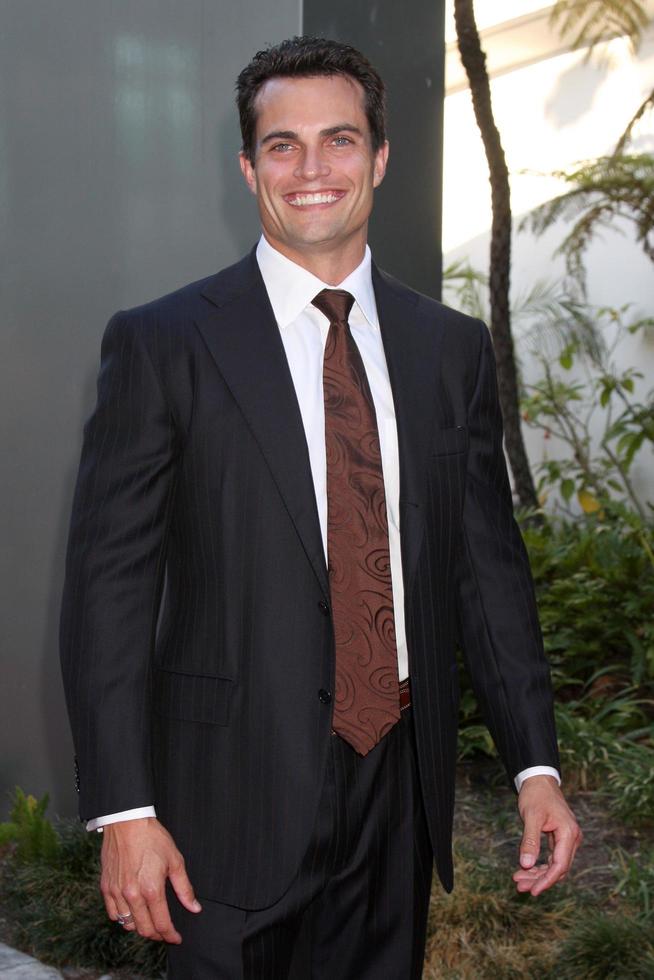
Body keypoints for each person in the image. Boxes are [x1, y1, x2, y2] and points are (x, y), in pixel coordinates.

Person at [60, 35, 581, 979]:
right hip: (219, 809)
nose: (312, 169)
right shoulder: (164, 343)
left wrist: (534, 769)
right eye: (283, 145)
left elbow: (488, 577)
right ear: (248, 167)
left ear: (379, 158)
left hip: (397, 798)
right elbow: (110, 591)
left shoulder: (447, 350)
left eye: (338, 141)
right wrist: (125, 811)